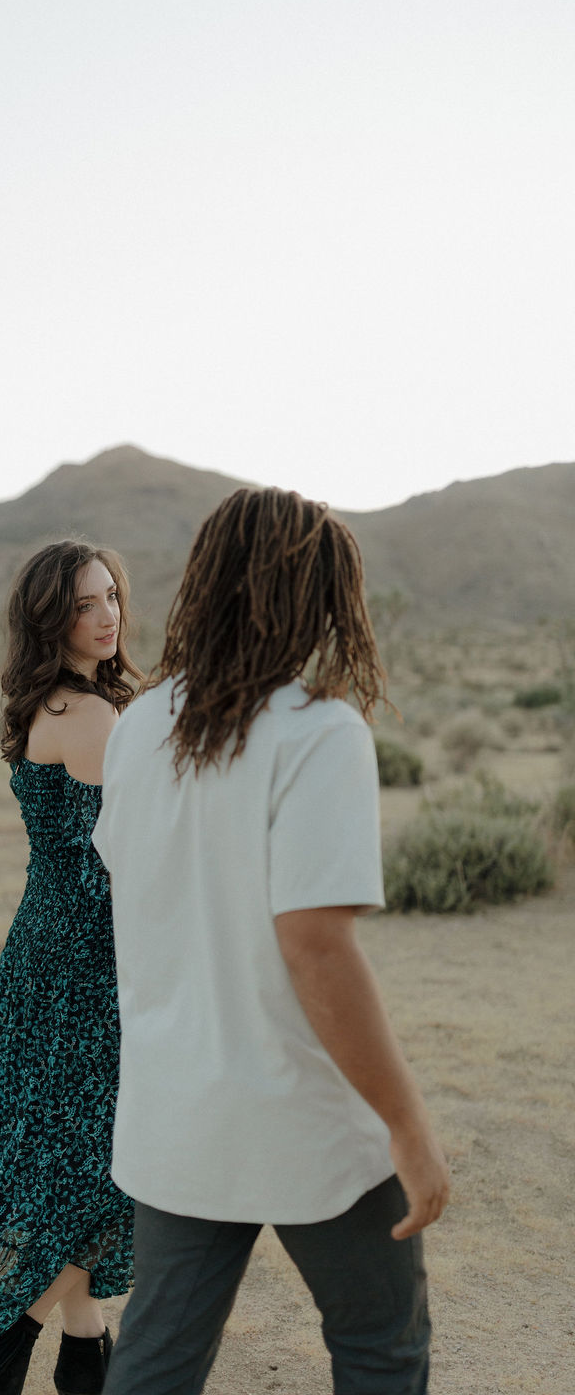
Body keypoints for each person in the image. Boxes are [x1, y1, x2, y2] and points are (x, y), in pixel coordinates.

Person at [92, 487, 450, 1395]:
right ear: (320, 597)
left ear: (208, 582)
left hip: (178, 1113)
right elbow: (316, 949)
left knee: (156, 1364)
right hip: (307, 1118)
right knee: (381, 1345)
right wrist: (408, 1125)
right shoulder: (318, 731)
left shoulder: (141, 728)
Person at [0, 539, 144, 1395]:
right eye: (84, 604)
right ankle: (6, 1337)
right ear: (51, 619)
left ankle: (80, 1346)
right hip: (88, 962)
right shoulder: (94, 716)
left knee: (57, 1156)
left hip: (42, 948)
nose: (107, 615)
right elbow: (123, 860)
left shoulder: (51, 702)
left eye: (111, 595)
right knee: (96, 1164)